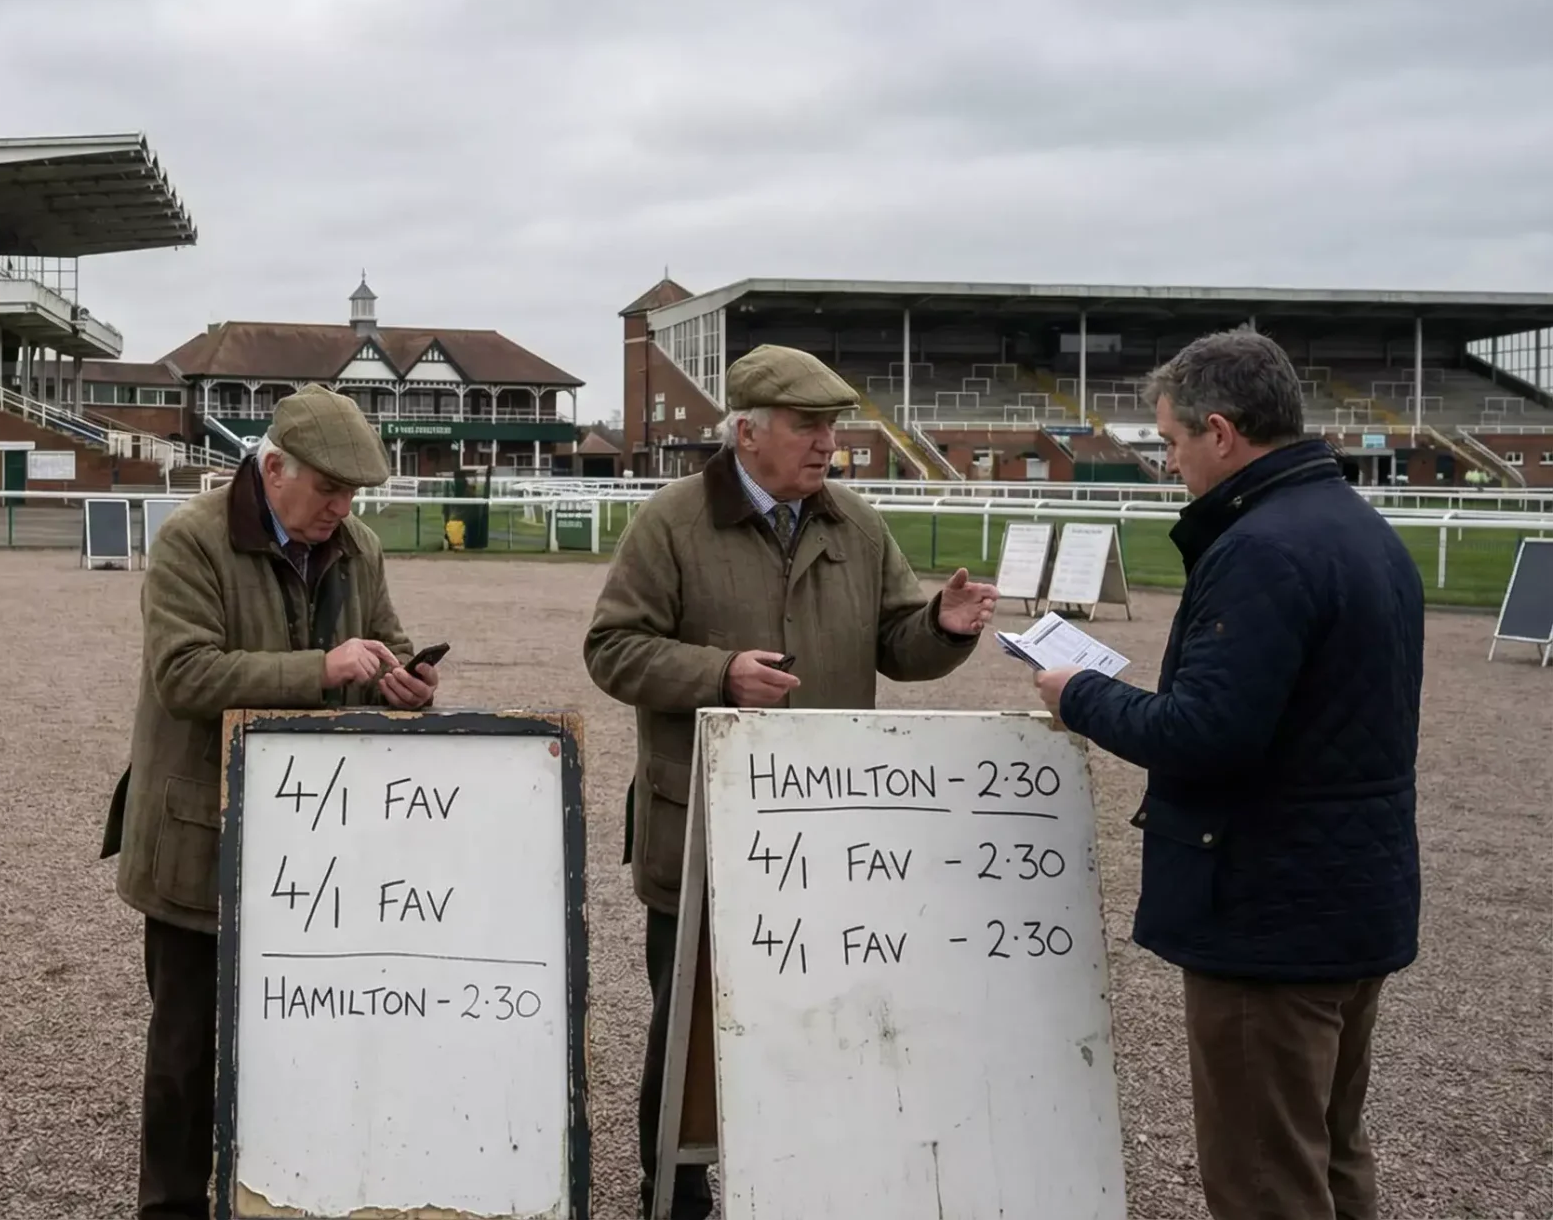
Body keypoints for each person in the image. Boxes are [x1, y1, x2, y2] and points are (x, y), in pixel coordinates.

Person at [583, 344, 999, 1218]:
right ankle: (676, 1191)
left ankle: (807, 1178)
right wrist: (718, 673)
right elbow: (612, 650)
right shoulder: (671, 521)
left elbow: (896, 643)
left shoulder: (855, 522)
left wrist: (941, 624)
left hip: (828, 837)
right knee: (689, 1026)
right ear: (747, 431)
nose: (827, 445)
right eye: (808, 426)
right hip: (697, 826)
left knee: (824, 1014)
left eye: (832, 427)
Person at [1033, 330, 1421, 1220]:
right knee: (1331, 1156)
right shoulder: (1365, 532)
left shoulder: (1258, 549)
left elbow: (1207, 733)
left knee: (1263, 1179)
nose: (1168, 462)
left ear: (1221, 431)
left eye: (1169, 442)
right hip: (1354, 895)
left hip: (1268, 916)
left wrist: (1080, 695)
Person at [101, 385, 441, 1220]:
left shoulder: (357, 544)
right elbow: (183, 675)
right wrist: (321, 668)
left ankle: (287, 1194)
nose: (342, 507)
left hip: (319, 847)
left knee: (302, 1034)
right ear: (274, 465)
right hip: (198, 836)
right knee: (186, 1049)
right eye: (329, 487)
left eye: (354, 492)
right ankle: (172, 1207)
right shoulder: (191, 539)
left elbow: (387, 641)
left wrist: (406, 681)